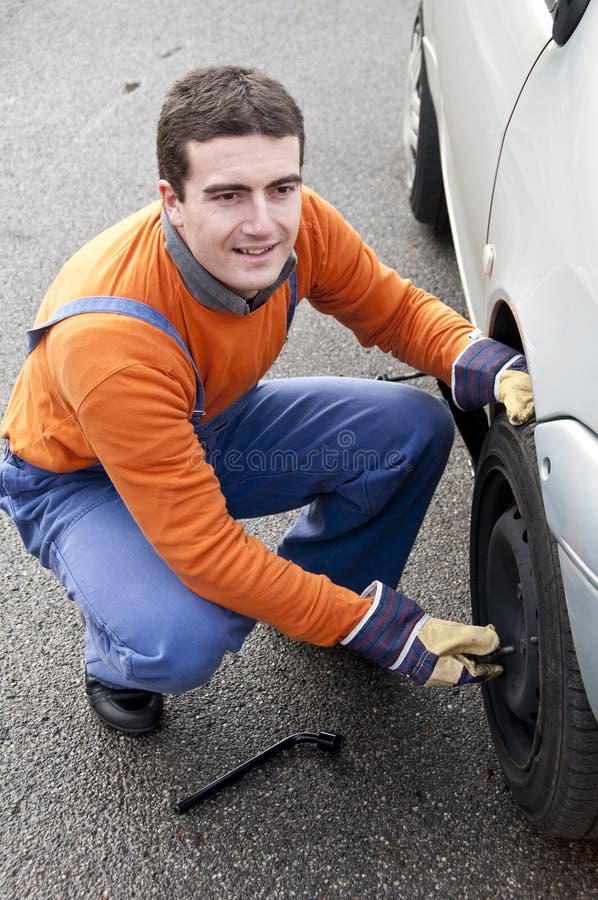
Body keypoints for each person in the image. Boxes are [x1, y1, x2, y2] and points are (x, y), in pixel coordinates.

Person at [0, 66, 533, 735]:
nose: (263, 224)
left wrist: (470, 356)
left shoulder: (300, 226)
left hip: (204, 425)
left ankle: (329, 595)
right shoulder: (112, 342)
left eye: (281, 187)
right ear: (173, 200)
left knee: (410, 428)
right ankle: (119, 657)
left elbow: (392, 311)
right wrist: (381, 629)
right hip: (79, 479)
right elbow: (207, 552)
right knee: (186, 633)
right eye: (227, 195)